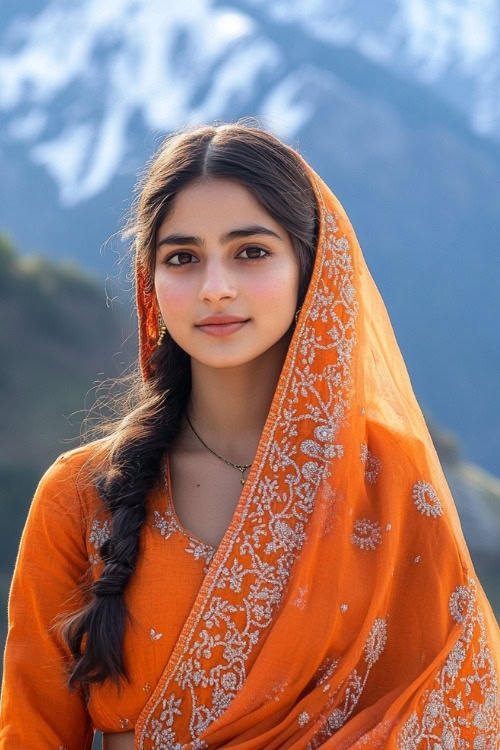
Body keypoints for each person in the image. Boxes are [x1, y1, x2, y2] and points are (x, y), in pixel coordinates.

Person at [0, 121, 499, 750]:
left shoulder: (389, 480)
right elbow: (32, 732)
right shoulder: (81, 495)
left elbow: (459, 705)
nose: (215, 288)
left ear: (312, 269)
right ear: (150, 282)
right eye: (182, 258)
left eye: (251, 252)